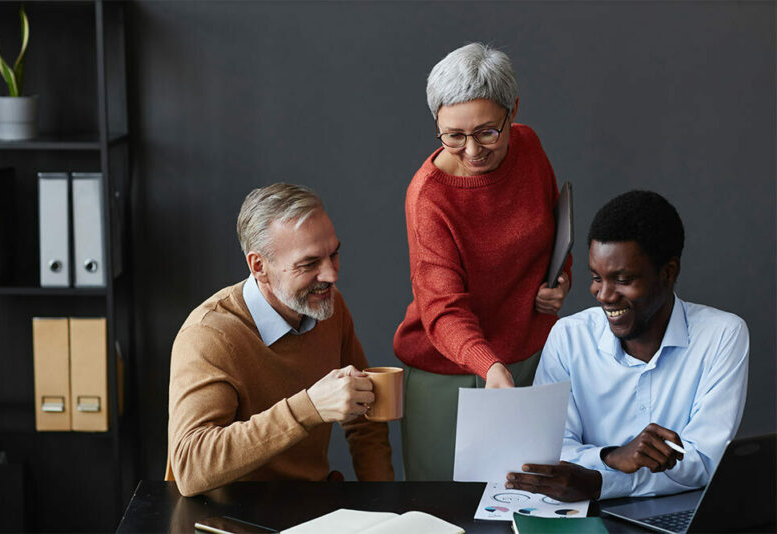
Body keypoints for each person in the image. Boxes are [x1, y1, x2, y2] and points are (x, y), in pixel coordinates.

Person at [393, 42, 572, 480]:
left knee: (532, 501)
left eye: (487, 132)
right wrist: (488, 365)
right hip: (451, 375)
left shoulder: (529, 146)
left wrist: (559, 281)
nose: (472, 150)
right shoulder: (428, 197)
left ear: (513, 110)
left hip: (534, 356)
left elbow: (553, 228)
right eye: (454, 136)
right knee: (449, 514)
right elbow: (441, 308)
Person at [505, 190, 749, 501]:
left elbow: (704, 462)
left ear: (668, 272)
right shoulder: (568, 336)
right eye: (596, 277)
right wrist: (612, 456)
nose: (604, 295)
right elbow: (548, 452)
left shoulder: (722, 336)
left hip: (676, 516)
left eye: (622, 279)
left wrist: (599, 482)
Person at [167, 183, 394, 496]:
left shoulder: (329, 306)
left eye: (334, 254)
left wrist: (384, 505)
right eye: (309, 263)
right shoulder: (209, 335)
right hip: (230, 518)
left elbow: (365, 418)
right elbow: (191, 468)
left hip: (312, 507)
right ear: (259, 266)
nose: (331, 275)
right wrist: (309, 406)